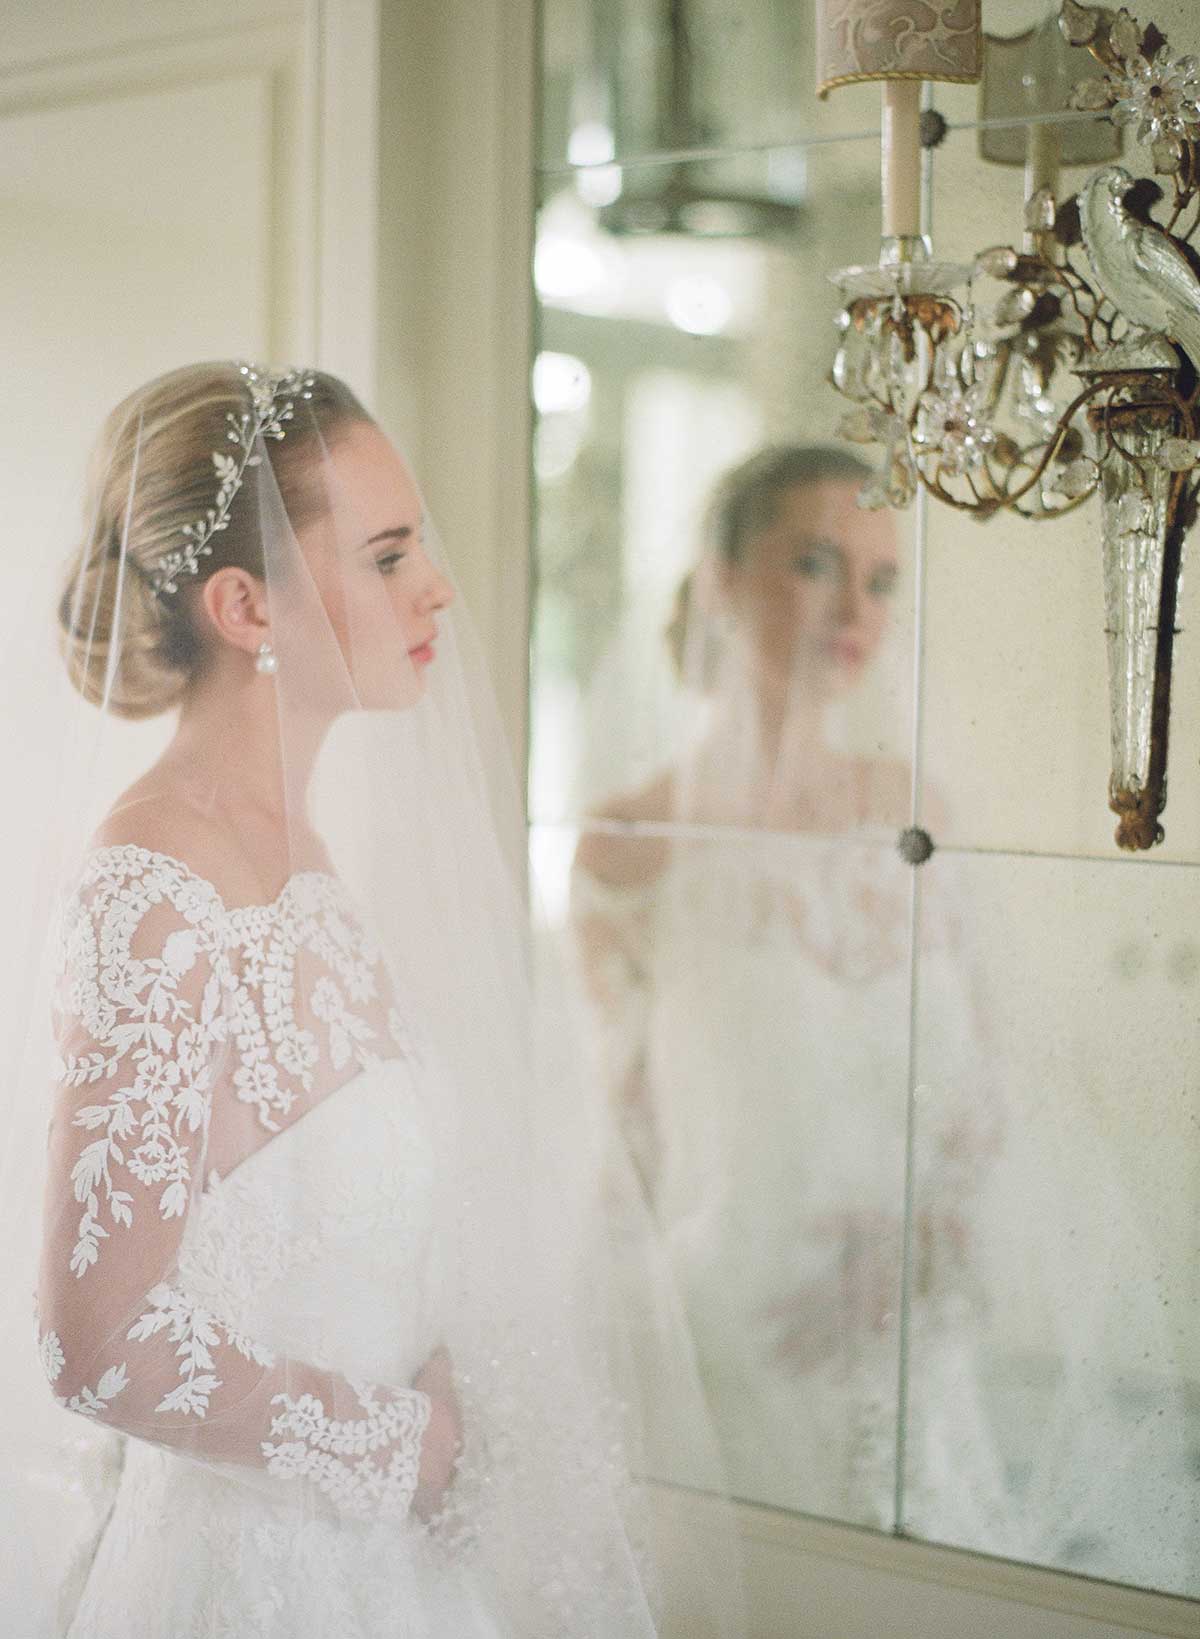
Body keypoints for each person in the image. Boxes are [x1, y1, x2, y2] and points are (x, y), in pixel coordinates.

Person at [1, 361, 746, 1637]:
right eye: (389, 554)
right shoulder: (154, 894)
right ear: (247, 606)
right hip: (245, 1588)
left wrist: (445, 1380)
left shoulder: (306, 862)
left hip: (391, 1576)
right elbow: (102, 1338)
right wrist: (400, 1447)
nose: (437, 585)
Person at [569, 444, 1009, 1531]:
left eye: (881, 576)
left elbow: (982, 1081)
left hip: (903, 1324)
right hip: (730, 1333)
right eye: (817, 563)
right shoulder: (632, 840)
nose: (855, 606)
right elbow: (622, 1126)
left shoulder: (917, 812)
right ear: (722, 579)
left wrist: (915, 1255)